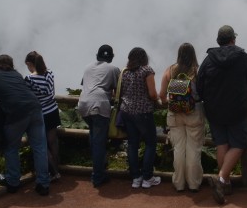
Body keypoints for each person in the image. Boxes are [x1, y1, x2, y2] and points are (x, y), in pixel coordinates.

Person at [196, 24, 247, 205]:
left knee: (221, 143)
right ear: (233, 40)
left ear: (218, 41)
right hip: (236, 108)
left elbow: (200, 83)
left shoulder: (208, 59)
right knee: (239, 143)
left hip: (214, 109)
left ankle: (225, 183)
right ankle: (222, 178)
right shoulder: (242, 57)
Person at [0, 55, 50, 196]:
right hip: (35, 108)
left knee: (11, 148)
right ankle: (43, 183)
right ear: (11, 65)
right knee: (40, 147)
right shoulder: (17, 74)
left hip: (16, 114)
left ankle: (13, 182)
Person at [159, 43, 204, 193]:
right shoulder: (197, 72)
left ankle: (178, 183)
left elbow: (162, 95)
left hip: (174, 114)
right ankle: (193, 183)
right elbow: (204, 93)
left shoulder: (170, 71)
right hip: (194, 113)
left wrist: (171, 104)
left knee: (178, 149)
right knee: (194, 150)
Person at [76, 44, 121, 188]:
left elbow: (86, 84)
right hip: (99, 105)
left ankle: (99, 168)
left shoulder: (88, 67)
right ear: (111, 57)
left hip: (83, 104)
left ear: (98, 55)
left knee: (94, 136)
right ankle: (98, 176)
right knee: (99, 142)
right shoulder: (113, 69)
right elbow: (118, 90)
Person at [120, 47, 161, 189]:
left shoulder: (124, 71)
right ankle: (147, 177)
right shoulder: (146, 70)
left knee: (132, 143)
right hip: (143, 112)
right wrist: (157, 101)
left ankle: (136, 178)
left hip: (126, 111)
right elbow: (152, 94)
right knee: (150, 143)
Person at [24, 51, 61, 181]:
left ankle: (54, 172)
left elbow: (28, 98)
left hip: (41, 114)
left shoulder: (29, 79)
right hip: (53, 110)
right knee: (53, 142)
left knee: (42, 145)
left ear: (29, 63)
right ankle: (56, 169)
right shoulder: (49, 73)